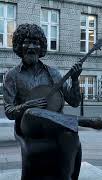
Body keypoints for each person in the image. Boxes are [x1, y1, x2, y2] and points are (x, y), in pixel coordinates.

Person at [3, 23, 83, 180]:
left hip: (54, 126)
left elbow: (74, 102)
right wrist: (26, 106)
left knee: (70, 135)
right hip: (29, 128)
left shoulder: (53, 73)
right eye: (27, 42)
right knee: (33, 113)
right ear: (19, 45)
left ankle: (64, 177)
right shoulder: (12, 76)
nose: (32, 47)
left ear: (41, 47)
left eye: (36, 43)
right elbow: (9, 111)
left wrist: (75, 79)